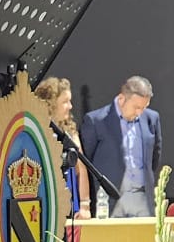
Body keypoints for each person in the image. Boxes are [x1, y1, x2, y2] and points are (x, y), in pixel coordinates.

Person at [80, 75, 161, 217]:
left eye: (144, 107)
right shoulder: (96, 121)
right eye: (136, 107)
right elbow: (86, 163)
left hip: (141, 198)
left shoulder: (151, 119)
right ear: (122, 99)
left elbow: (154, 156)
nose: (139, 113)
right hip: (109, 199)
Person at [38, 76, 89, 219]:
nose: (70, 106)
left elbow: (82, 169)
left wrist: (85, 205)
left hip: (70, 205)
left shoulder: (71, 131)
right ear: (51, 104)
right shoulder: (36, 130)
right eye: (65, 102)